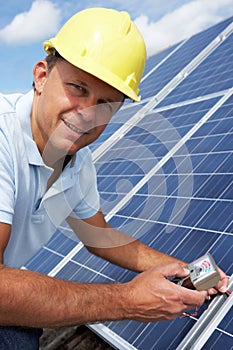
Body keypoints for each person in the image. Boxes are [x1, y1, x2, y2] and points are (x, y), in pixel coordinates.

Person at [0, 7, 228, 349]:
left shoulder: (78, 163)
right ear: (41, 76)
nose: (88, 114)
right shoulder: (4, 134)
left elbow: (100, 236)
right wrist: (127, 300)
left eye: (106, 104)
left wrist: (185, 269)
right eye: (77, 88)